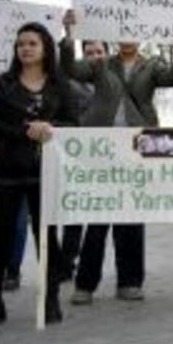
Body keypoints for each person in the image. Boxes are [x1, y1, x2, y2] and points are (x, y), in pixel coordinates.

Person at [60, 10, 173, 305]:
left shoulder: (152, 65)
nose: (127, 37)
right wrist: (69, 35)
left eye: (133, 31)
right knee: (97, 217)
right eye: (122, 31)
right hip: (102, 148)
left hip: (137, 146)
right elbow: (71, 69)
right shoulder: (101, 63)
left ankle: (130, 282)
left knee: (132, 216)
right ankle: (85, 285)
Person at [0, 22, 78, 330]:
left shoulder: (60, 86)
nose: (26, 48)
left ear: (45, 48)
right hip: (5, 173)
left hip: (45, 174)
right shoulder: (1, 83)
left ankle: (50, 299)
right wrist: (25, 130)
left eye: (32, 43)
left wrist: (51, 128)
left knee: (47, 239)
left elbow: (74, 123)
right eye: (21, 44)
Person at [60, 39, 109, 282]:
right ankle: (66, 263)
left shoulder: (113, 80)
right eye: (90, 52)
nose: (95, 56)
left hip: (109, 157)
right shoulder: (70, 83)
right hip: (79, 156)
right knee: (75, 213)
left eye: (99, 52)